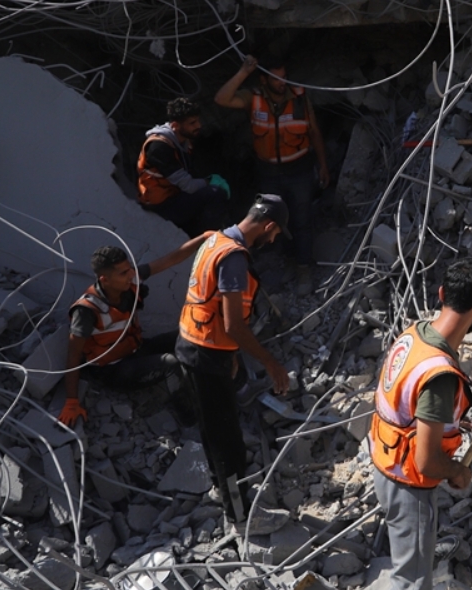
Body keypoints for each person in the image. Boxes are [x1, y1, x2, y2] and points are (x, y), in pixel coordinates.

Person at [369, 258, 472, 590]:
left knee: (408, 564)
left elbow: (404, 402)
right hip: (407, 485)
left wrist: (450, 421)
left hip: (383, 459)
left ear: (441, 293)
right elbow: (426, 461)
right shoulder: (440, 376)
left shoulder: (414, 335)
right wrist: (458, 471)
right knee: (411, 581)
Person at [176, 194, 293, 524]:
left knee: (213, 430)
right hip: (205, 356)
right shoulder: (235, 260)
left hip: (193, 344)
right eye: (275, 234)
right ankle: (240, 515)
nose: (273, 240)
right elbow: (233, 324)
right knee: (227, 441)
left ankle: (222, 489)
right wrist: (271, 363)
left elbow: (213, 309)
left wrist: (231, 354)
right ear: (268, 226)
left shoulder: (217, 239)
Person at [58, 233, 213, 427]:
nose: (131, 275)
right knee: (171, 364)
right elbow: (73, 357)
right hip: (114, 370)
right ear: (105, 279)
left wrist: (203, 238)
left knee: (190, 335)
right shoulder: (87, 311)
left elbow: (170, 259)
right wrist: (71, 401)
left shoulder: (128, 282)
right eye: (123, 273)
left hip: (136, 350)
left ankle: (225, 383)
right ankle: (189, 416)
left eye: (129, 268)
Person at [214, 54, 329, 295]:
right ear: (264, 79)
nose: (282, 83)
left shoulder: (299, 98)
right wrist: (244, 72)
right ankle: (286, 263)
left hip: (299, 170)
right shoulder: (253, 98)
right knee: (273, 222)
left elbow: (316, 132)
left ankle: (303, 268)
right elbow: (221, 98)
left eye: (284, 77)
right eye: (276, 78)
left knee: (302, 220)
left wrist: (323, 165)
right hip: (268, 172)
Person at [137, 98, 229, 236]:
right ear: (175, 125)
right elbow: (188, 186)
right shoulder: (159, 147)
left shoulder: (184, 141)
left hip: (176, 194)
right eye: (192, 123)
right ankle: (209, 239)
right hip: (161, 205)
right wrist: (209, 182)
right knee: (215, 193)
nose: (198, 125)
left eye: (198, 120)